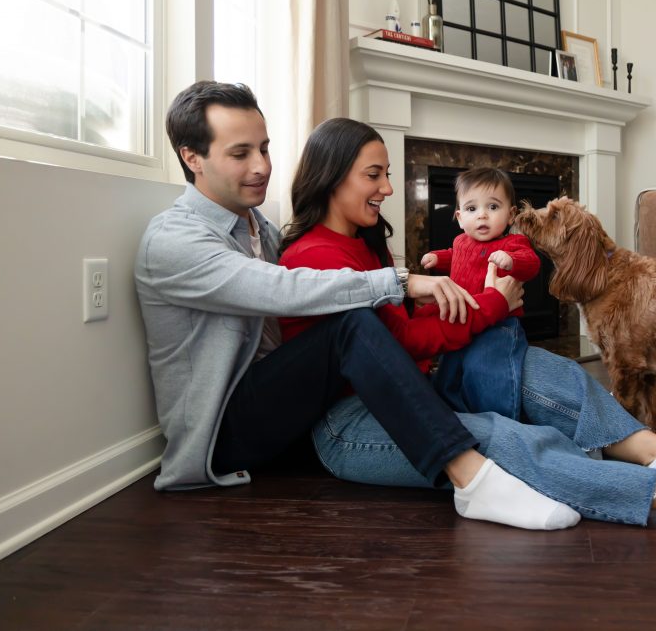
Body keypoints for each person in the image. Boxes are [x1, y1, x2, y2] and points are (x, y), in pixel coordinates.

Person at [278, 117, 656, 528]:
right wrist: (492, 307)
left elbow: (405, 331)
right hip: (351, 424)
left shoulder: (362, 242)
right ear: (333, 175)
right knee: (498, 435)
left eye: (388, 172)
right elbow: (400, 340)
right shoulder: (316, 255)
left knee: (548, 371)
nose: (388, 187)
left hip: (411, 384)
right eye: (374, 174)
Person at [134, 81, 588, 531]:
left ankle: (617, 453)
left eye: (265, 149)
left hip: (291, 408)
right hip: (222, 434)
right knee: (350, 327)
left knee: (527, 374)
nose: (262, 166)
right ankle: (470, 477)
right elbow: (282, 289)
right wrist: (404, 282)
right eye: (241, 153)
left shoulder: (259, 229)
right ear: (192, 157)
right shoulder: (175, 239)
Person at [420, 167, 538, 419]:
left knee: (489, 373)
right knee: (448, 371)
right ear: (460, 218)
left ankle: (501, 419)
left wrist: (511, 260)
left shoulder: (513, 244)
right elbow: (455, 257)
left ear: (511, 215)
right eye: (472, 209)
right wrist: (436, 258)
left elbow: (531, 263)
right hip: (461, 319)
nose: (482, 215)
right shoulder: (461, 241)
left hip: (498, 325)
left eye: (493, 207)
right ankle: (460, 415)